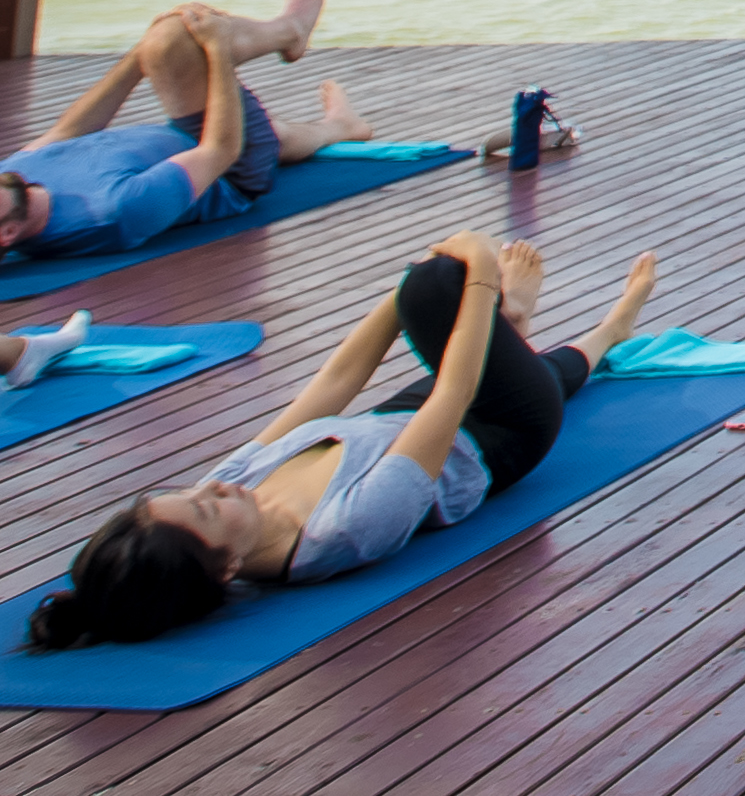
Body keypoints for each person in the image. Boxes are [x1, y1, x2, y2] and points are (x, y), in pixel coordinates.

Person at [26, 232, 655, 648]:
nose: (213, 485)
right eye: (206, 506)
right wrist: (481, 278)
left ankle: (512, 326)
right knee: (477, 322)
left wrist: (404, 286)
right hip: (497, 429)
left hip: (393, 422)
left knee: (431, 286)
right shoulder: (344, 529)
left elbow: (335, 383)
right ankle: (595, 327)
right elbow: (454, 395)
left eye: (192, 492)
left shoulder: (236, 494)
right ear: (227, 569)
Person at [0, 0, 368, 261]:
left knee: (271, 135)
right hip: (232, 167)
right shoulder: (113, 212)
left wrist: (136, 58)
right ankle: (290, 30)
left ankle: (340, 127)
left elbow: (70, 130)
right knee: (176, 37)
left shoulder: (14, 177)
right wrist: (217, 50)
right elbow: (220, 150)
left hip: (184, 137)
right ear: (9, 232)